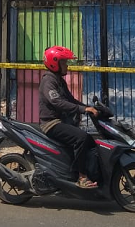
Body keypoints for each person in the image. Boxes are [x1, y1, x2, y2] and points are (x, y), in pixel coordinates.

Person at [39, 45, 99, 189]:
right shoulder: (49, 80)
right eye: (64, 62)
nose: (67, 65)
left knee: (90, 140)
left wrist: (89, 108)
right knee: (81, 138)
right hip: (51, 123)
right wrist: (82, 109)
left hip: (62, 121)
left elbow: (71, 100)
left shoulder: (59, 80)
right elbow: (57, 102)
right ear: (55, 63)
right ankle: (82, 177)